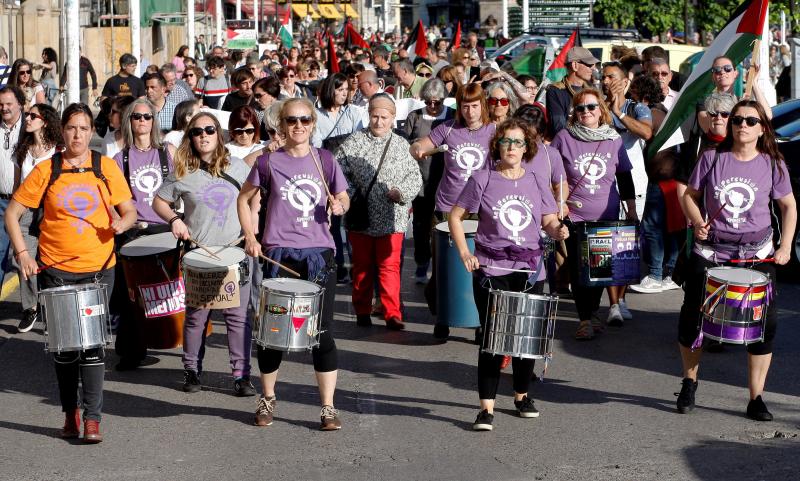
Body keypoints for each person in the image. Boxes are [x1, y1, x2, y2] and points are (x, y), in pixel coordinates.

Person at [5, 102, 137, 443]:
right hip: (56, 271)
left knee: (92, 347)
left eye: (83, 128)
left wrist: (122, 222)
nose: (77, 134)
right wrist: (23, 254)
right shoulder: (47, 170)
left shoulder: (104, 166)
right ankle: (69, 413)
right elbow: (13, 214)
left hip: (98, 270)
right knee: (65, 350)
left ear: (92, 131)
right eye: (71, 128)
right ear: (61, 131)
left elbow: (130, 210)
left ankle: (93, 419)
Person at [675, 100, 796, 421]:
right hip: (712, 251)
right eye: (737, 119)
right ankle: (689, 381)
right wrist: (695, 220)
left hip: (757, 253)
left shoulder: (773, 164)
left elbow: (789, 206)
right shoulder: (713, 158)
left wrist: (784, 246)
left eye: (750, 121)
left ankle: (756, 397)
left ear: (762, 129)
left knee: (765, 325)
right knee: (692, 318)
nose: (742, 125)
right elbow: (689, 194)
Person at [236, 97, 350, 430]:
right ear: (281, 125)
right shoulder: (268, 162)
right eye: (291, 121)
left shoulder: (326, 160)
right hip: (279, 253)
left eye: (304, 120)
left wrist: (339, 205)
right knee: (273, 332)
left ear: (313, 124)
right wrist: (250, 236)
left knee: (322, 332)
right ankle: (268, 397)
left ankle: (327, 407)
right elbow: (243, 199)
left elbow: (342, 197)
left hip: (319, 253)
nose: (298, 126)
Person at [448, 118, 568, 431]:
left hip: (529, 270)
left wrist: (558, 230)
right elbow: (456, 216)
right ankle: (486, 409)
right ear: (497, 146)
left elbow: (549, 220)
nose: (511, 148)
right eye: (506, 142)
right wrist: (464, 253)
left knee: (525, 339)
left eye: (517, 142)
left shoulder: (537, 180)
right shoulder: (483, 178)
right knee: (493, 339)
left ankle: (521, 396)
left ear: (527, 148)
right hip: (492, 270)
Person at [152, 112, 255, 396]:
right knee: (197, 317)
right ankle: (192, 371)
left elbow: (254, 197)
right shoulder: (183, 171)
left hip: (234, 253)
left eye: (209, 130)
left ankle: (241, 375)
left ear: (219, 134)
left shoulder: (238, 167)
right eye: (197, 132)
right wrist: (174, 220)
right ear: (190, 138)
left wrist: (252, 230)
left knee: (237, 317)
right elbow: (159, 201)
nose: (203, 135)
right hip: (200, 255)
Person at [410, 83, 496, 340]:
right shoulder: (447, 129)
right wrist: (418, 149)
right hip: (447, 207)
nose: (469, 111)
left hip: (480, 209)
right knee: (444, 268)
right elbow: (418, 146)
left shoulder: (494, 131)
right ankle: (443, 317)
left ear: (482, 105)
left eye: (474, 105)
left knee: (481, 267)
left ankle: (481, 321)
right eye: (464, 106)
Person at [551, 88, 637, 340]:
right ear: (574, 113)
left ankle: (592, 313)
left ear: (601, 110)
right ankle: (585, 318)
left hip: (606, 215)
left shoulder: (613, 139)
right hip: (574, 216)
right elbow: (552, 174)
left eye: (591, 107)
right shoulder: (564, 137)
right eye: (580, 108)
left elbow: (624, 176)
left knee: (600, 270)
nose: (586, 112)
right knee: (580, 268)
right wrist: (559, 202)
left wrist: (631, 208)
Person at [337, 93, 422, 329]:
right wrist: (352, 194)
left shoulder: (401, 145)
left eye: (384, 117)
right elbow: (338, 173)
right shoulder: (354, 142)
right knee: (362, 268)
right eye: (375, 116)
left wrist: (401, 192)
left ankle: (392, 313)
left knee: (389, 267)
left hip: (391, 217)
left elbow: (414, 178)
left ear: (393, 118)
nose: (379, 122)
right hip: (360, 216)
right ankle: (362, 309)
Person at [112, 98, 176, 370]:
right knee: (131, 297)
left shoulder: (168, 152)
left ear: (154, 120)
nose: (142, 121)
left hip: (165, 229)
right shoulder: (119, 158)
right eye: (136, 116)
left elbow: (182, 189)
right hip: (135, 233)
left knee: (170, 292)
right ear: (129, 121)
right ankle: (131, 351)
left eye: (147, 116)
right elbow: (113, 202)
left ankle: (174, 338)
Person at [12, 103, 60, 333]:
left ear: (45, 121)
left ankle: (52, 310)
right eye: (27, 115)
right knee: (25, 259)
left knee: (50, 261)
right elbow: (16, 182)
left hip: (51, 209)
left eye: (33, 115)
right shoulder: (23, 148)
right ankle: (30, 307)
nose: (28, 118)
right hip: (25, 210)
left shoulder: (57, 151)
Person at [312, 72, 363, 282]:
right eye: (339, 89)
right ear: (329, 90)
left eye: (346, 90)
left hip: (352, 172)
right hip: (328, 172)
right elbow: (316, 145)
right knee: (333, 221)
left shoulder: (353, 111)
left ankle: (356, 269)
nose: (343, 94)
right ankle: (338, 267)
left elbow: (359, 139)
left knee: (352, 223)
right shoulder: (317, 115)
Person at [404, 78, 454, 283]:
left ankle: (442, 267)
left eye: (437, 102)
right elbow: (403, 143)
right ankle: (422, 263)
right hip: (420, 182)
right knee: (420, 225)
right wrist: (416, 146)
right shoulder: (414, 117)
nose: (433, 106)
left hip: (446, 181)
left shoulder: (451, 116)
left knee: (443, 226)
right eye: (429, 102)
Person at [697, 56, 773, 134]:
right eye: (717, 70)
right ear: (713, 76)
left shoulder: (742, 101)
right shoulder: (705, 102)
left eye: (727, 68)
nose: (722, 72)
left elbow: (767, 116)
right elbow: (712, 127)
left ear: (736, 73)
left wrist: (753, 83)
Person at [0, 86, 26, 299]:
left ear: (19, 104)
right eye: (1, 104)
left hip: (26, 203)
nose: (4, 108)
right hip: (1, 201)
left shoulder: (30, 127)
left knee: (26, 254)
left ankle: (33, 306)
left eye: (9, 104)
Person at [546, 47, 599, 137]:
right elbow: (559, 128)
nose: (593, 68)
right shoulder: (555, 91)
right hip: (568, 146)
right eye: (589, 64)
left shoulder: (593, 91)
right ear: (575, 65)